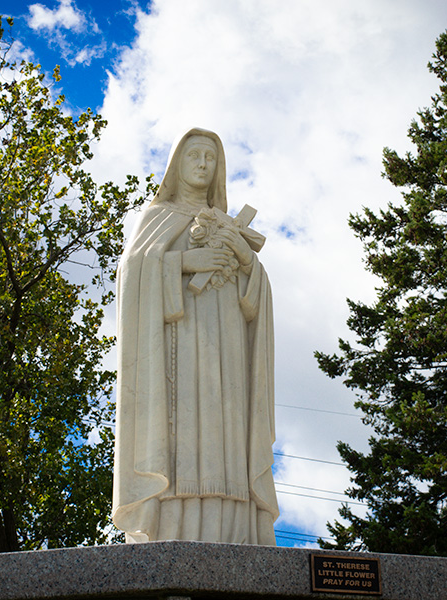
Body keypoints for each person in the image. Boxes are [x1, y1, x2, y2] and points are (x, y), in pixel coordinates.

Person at [112, 127, 278, 545]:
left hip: (229, 347)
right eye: (194, 156)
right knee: (182, 432)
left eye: (210, 158)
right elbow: (132, 276)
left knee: (226, 432)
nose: (203, 165)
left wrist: (244, 258)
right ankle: (172, 526)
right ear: (177, 165)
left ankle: (235, 528)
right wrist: (186, 261)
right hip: (177, 347)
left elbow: (257, 299)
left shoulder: (229, 223)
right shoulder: (156, 219)